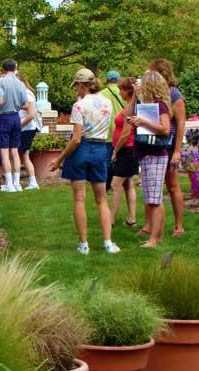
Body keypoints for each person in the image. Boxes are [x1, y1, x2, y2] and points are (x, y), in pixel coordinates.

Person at [49, 68, 121, 255]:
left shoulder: (79, 106)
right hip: (100, 149)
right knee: (102, 199)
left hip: (81, 151)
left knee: (79, 199)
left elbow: (76, 139)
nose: (76, 90)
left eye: (76, 87)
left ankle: (84, 245)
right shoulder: (107, 103)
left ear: (81, 85)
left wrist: (59, 160)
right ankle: (108, 243)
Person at [126, 71, 172, 248]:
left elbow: (165, 129)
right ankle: (156, 236)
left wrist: (143, 122)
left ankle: (154, 239)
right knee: (150, 198)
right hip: (145, 154)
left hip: (156, 155)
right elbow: (127, 113)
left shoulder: (160, 106)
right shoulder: (145, 105)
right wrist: (135, 97)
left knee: (155, 200)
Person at [148, 58, 185, 237]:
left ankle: (178, 225)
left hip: (169, 146)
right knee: (152, 186)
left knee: (172, 185)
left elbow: (180, 123)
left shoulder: (174, 95)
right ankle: (150, 225)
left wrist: (177, 150)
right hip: (154, 145)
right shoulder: (153, 95)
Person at [0, 59, 28, 192]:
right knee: (15, 150)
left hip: (4, 117)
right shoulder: (20, 84)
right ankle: (17, 183)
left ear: (3, 69)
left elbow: (0, 101)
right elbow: (24, 104)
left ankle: (9, 184)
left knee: (4, 150)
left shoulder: (1, 81)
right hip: (16, 117)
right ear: (14, 69)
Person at [110, 77, 139, 227]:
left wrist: (115, 150)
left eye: (121, 89)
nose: (119, 92)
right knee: (128, 184)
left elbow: (126, 132)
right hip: (125, 149)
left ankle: (110, 220)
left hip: (127, 149)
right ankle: (131, 218)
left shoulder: (131, 107)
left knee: (115, 185)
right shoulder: (129, 105)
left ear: (128, 90)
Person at [100, 70, 125, 190]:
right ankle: (119, 181)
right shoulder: (123, 92)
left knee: (106, 160)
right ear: (118, 80)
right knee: (120, 159)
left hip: (107, 131)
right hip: (122, 130)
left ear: (107, 79)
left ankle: (106, 184)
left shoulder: (101, 94)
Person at [17, 74, 40, 190]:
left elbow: (31, 114)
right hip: (23, 129)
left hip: (26, 129)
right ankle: (17, 182)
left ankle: (32, 182)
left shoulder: (27, 94)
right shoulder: (21, 93)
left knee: (24, 155)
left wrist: (18, 125)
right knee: (19, 155)